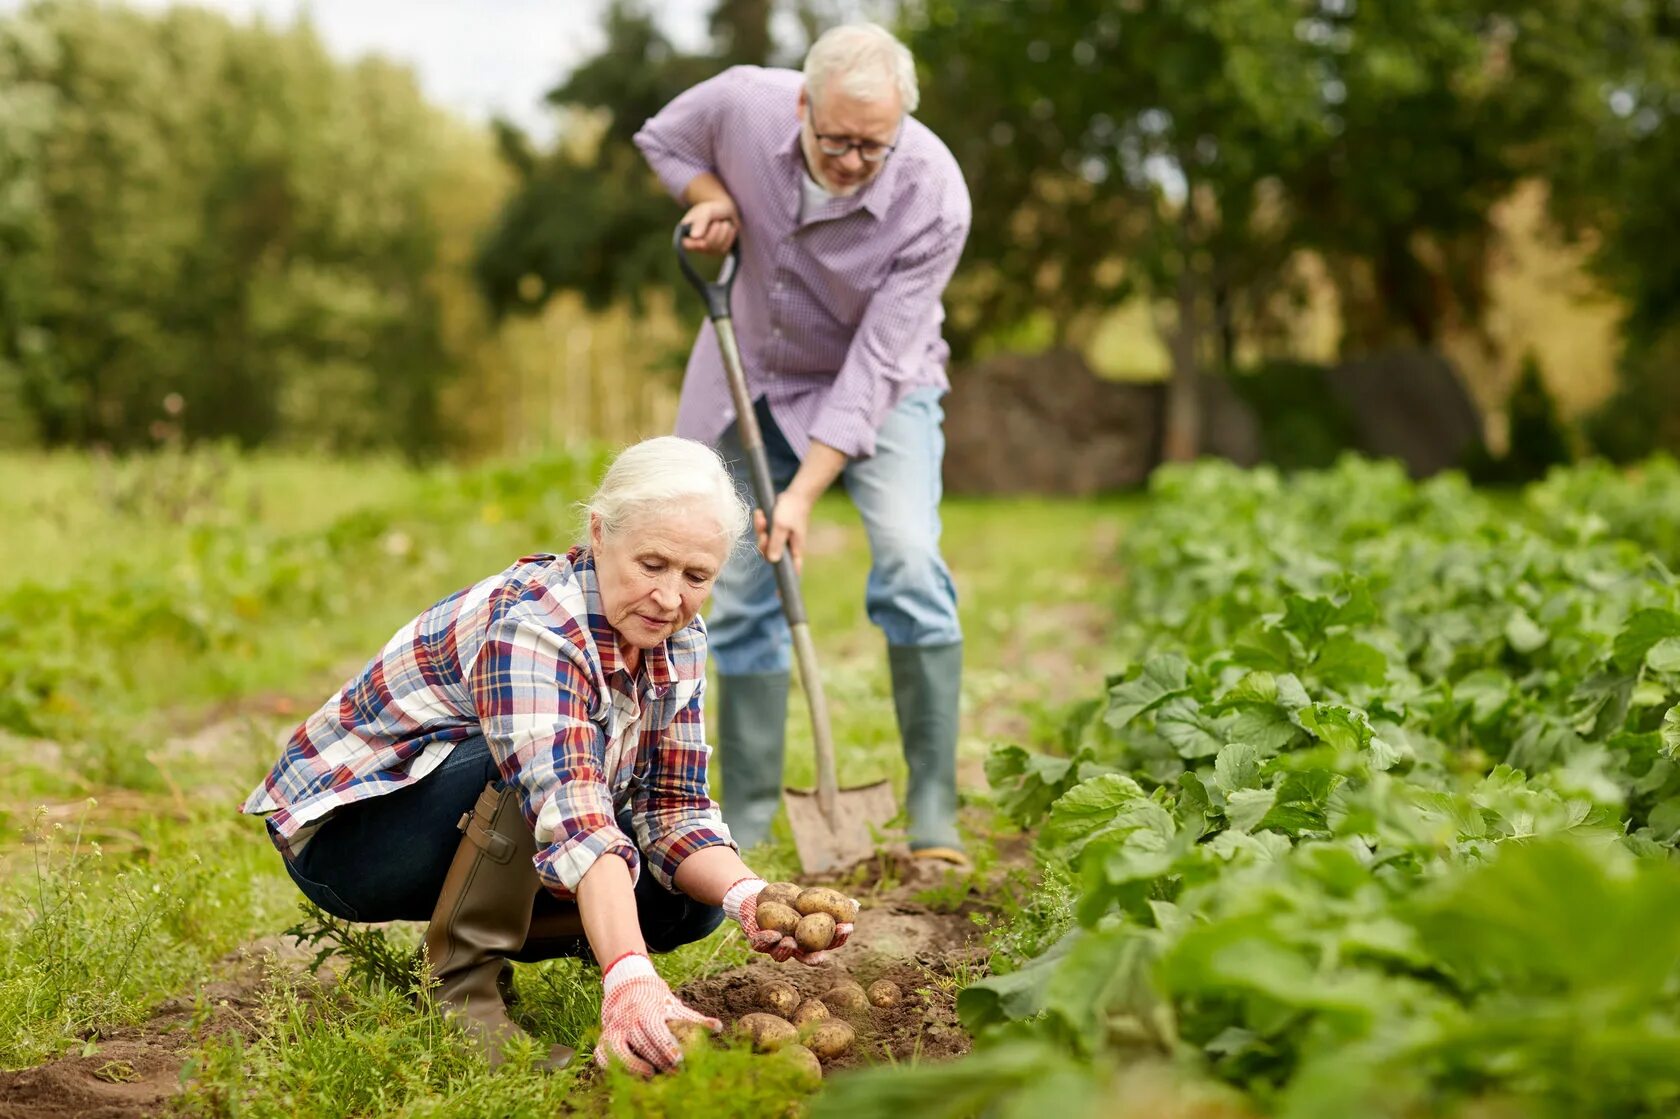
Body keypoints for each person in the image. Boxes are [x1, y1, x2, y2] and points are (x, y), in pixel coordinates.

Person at [240, 437, 856, 1075]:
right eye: (652, 564)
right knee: (518, 768)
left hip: (470, 823)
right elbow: (573, 810)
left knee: (692, 903)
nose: (671, 598)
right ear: (598, 533)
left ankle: (491, 939)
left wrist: (751, 897)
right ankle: (458, 990)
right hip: (352, 839)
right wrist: (629, 976)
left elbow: (672, 806)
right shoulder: (535, 625)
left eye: (695, 577)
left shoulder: (678, 638)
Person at [633, 23, 971, 866]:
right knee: (741, 583)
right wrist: (709, 196)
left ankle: (931, 805)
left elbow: (877, 364)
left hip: (880, 387)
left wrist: (805, 489)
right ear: (802, 106)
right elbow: (664, 138)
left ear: (901, 126)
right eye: (836, 140)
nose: (854, 160)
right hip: (751, 371)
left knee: (908, 560)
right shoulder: (745, 101)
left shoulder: (935, 195)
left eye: (874, 145)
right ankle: (740, 818)